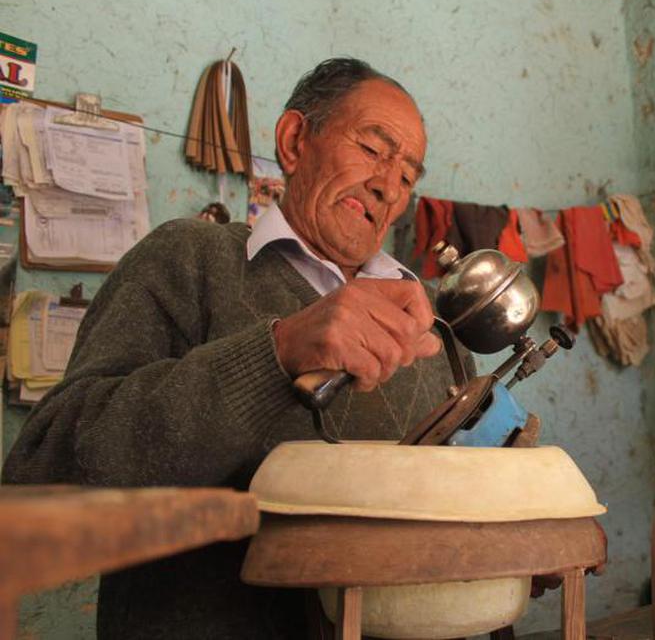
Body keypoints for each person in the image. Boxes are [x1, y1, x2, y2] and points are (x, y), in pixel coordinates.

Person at [2, 58, 464, 639]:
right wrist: (277, 353)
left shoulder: (425, 326)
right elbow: (44, 479)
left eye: (407, 176)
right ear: (295, 141)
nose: (387, 186)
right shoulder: (188, 260)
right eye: (373, 149)